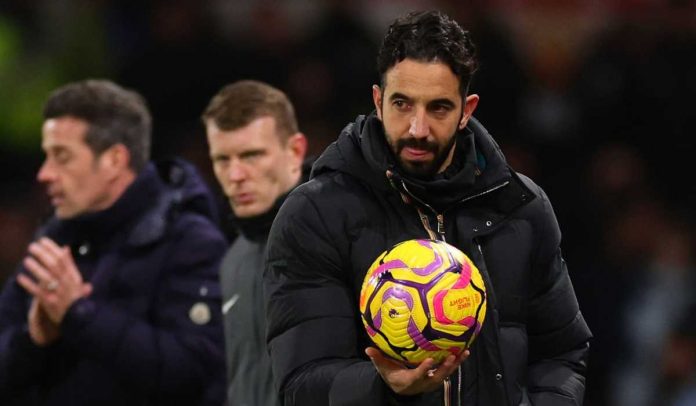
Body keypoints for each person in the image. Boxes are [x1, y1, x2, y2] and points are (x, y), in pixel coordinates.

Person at [263, 10, 592, 405]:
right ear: (378, 100)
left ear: (466, 110)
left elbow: (562, 353)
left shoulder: (521, 207)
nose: (418, 128)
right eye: (402, 104)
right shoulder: (316, 214)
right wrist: (382, 386)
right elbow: (300, 385)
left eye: (438, 108)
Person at [0, 80, 227, 405]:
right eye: (46, 156)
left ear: (114, 160)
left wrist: (80, 316)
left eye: (61, 157)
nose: (44, 173)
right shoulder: (53, 242)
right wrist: (34, 340)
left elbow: (194, 375)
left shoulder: (190, 242)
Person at [202, 80, 308, 406]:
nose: (235, 175)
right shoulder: (232, 260)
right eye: (222, 159)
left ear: (295, 152)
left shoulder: (337, 239)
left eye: (251, 155)